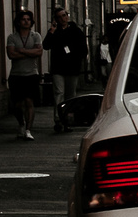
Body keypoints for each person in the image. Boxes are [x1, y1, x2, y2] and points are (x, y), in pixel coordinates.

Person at [6, 8, 45, 140]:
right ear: (18, 22)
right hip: (16, 75)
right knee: (17, 104)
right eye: (23, 19)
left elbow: (39, 53)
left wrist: (21, 51)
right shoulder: (12, 37)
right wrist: (30, 52)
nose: (26, 22)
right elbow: (11, 54)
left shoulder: (36, 36)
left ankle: (28, 129)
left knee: (29, 102)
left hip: (31, 74)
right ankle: (21, 123)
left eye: (28, 19)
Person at [46, 9, 88, 117]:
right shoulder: (55, 31)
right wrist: (51, 31)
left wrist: (76, 58)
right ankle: (58, 117)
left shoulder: (76, 31)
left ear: (67, 16)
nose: (62, 19)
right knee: (59, 92)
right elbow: (46, 45)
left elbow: (83, 50)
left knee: (70, 94)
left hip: (72, 68)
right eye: (59, 17)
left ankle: (68, 117)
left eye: (64, 15)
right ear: (56, 19)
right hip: (58, 68)